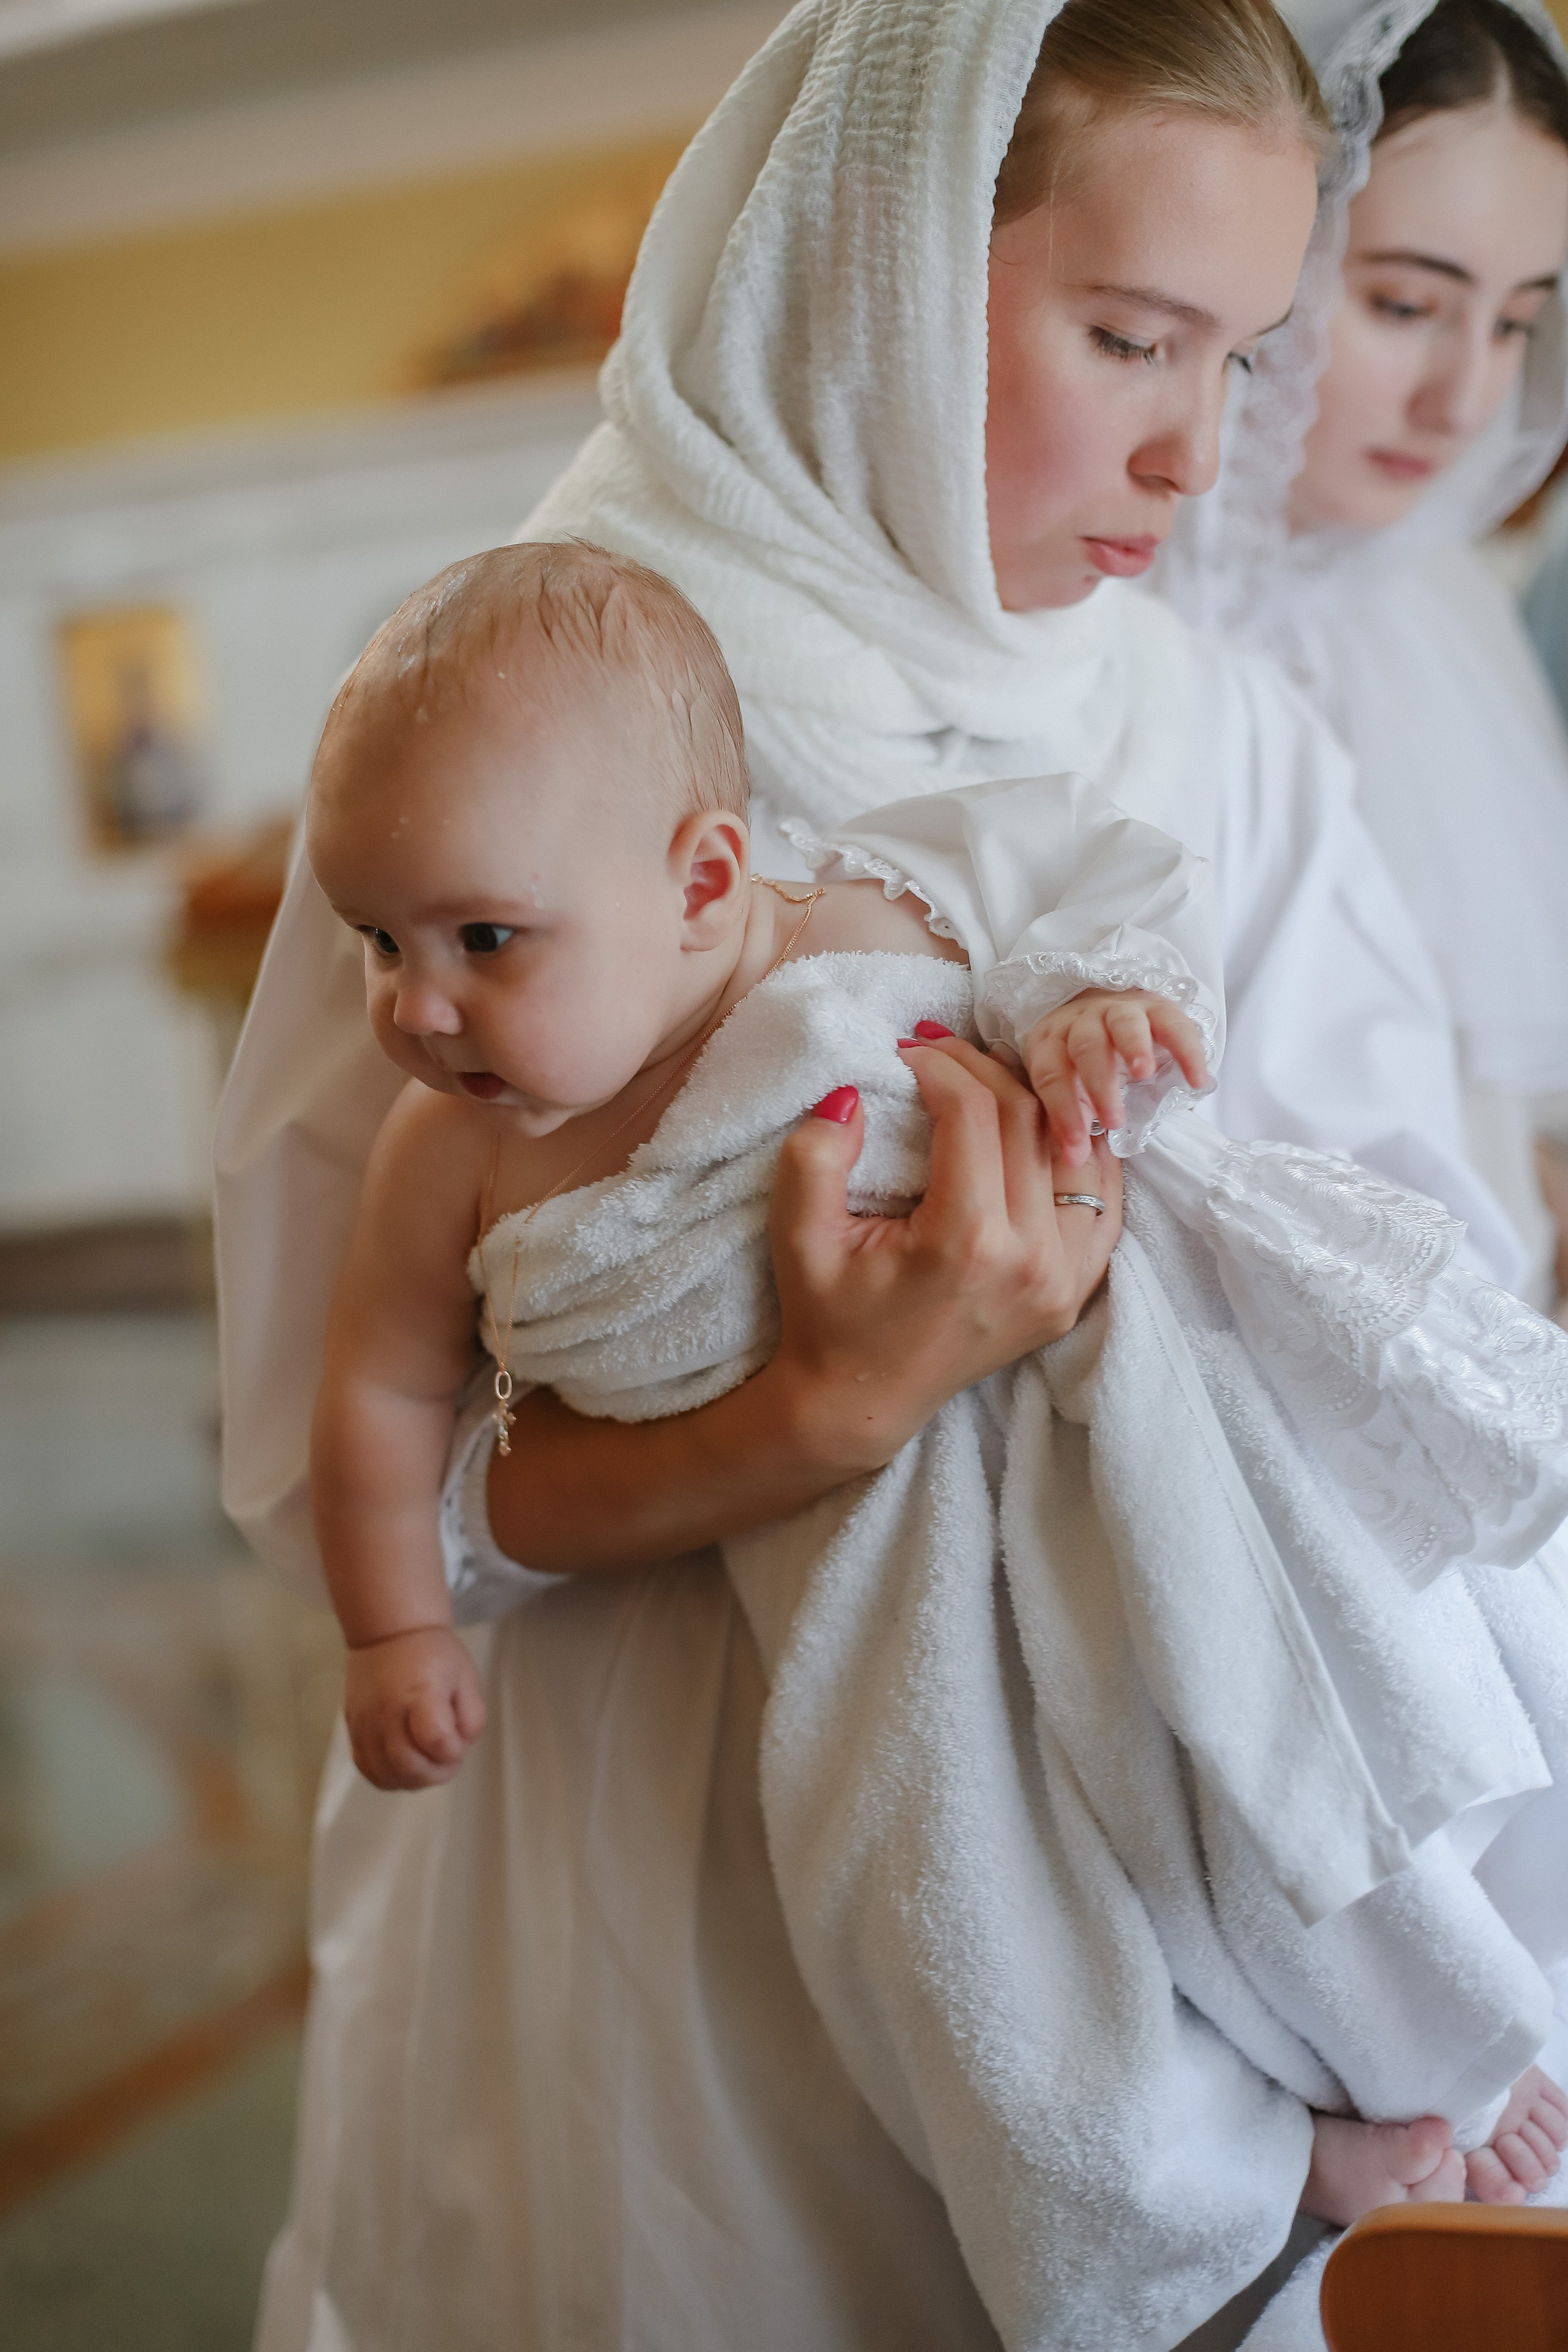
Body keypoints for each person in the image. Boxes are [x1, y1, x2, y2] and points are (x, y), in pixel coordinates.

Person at [222, 3, 1542, 2345]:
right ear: (884, 260)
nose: (1190, 446)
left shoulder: (1196, 719)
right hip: (655, 1895)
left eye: (1242, 356)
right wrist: (803, 1425)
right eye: (1130, 335)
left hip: (1149, 1807)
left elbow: (1397, 1276)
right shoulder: (530, 705)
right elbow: (338, 1478)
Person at [1159, 0, 1568, 1304]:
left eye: (1512, 325)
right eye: (1403, 303)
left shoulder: (1442, 618)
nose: (1462, 399)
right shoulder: (1113, 606)